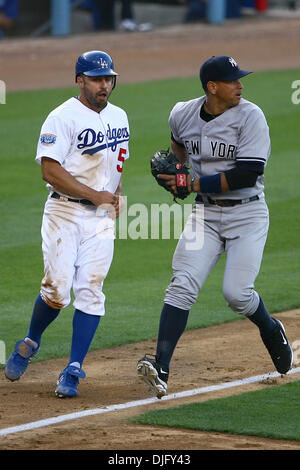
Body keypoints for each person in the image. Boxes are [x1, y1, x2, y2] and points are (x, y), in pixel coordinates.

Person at [137, 55, 293, 399]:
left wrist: (190, 185)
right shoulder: (183, 113)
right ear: (212, 87)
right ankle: (161, 367)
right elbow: (178, 143)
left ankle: (271, 328)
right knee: (181, 285)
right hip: (205, 216)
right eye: (233, 80)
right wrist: (176, 170)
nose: (241, 85)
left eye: (240, 79)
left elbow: (246, 174)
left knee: (237, 295)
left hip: (247, 215)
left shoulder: (251, 117)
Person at [5, 50, 130, 398]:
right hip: (64, 213)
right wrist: (94, 194)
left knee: (91, 291)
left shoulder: (120, 116)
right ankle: (31, 340)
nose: (104, 85)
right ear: (80, 80)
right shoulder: (61, 117)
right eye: (96, 79)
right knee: (58, 291)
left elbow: (116, 164)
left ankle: (73, 368)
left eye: (108, 79)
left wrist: (116, 193)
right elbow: (49, 169)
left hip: (100, 219)